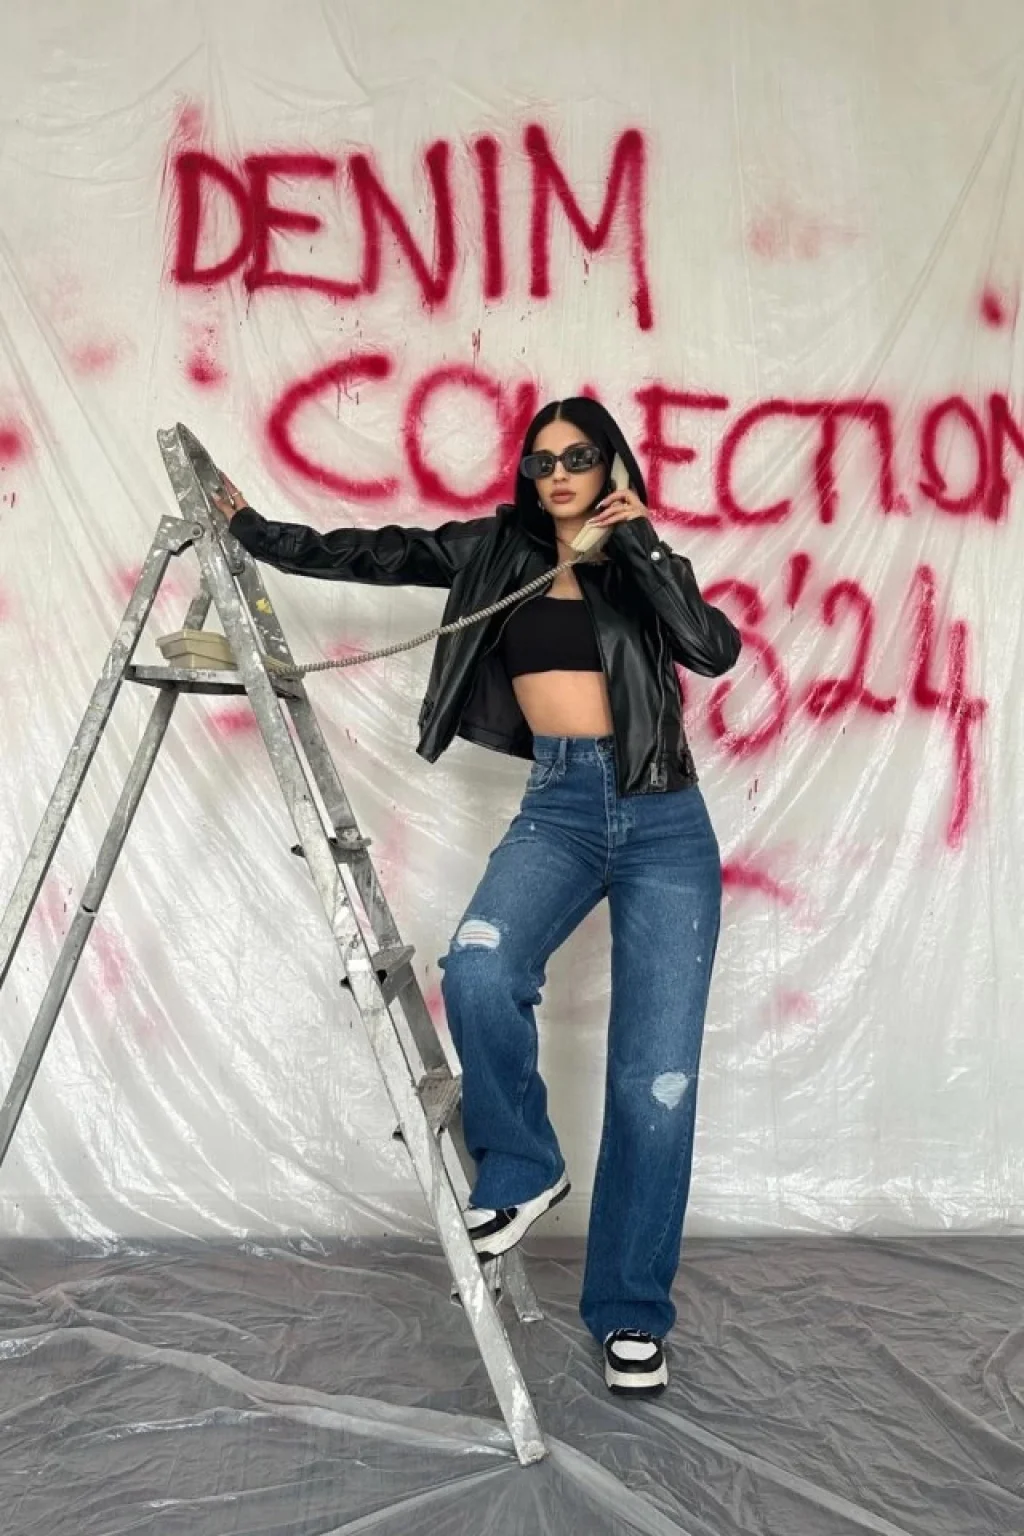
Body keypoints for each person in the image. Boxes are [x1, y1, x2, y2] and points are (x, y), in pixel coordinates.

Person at [216, 398, 741, 1397]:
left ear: (611, 464)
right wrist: (254, 531)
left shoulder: (641, 562)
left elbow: (710, 650)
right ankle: (522, 1163)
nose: (558, 473)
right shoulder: (494, 549)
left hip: (667, 820)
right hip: (562, 807)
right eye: (542, 461)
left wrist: (638, 549)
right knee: (479, 966)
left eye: (578, 457)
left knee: (655, 1083)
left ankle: (631, 1312)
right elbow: (372, 553)